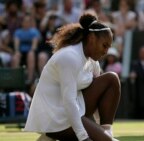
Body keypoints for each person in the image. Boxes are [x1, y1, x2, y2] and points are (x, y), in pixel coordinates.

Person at [24, 11, 121, 141]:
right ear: (91, 38)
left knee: (111, 79)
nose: (106, 52)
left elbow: (101, 96)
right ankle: (51, 135)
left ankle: (106, 132)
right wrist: (83, 137)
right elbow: (69, 101)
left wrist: (102, 133)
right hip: (56, 119)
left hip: (74, 112)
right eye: (104, 45)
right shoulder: (69, 57)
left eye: (108, 47)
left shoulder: (93, 61)